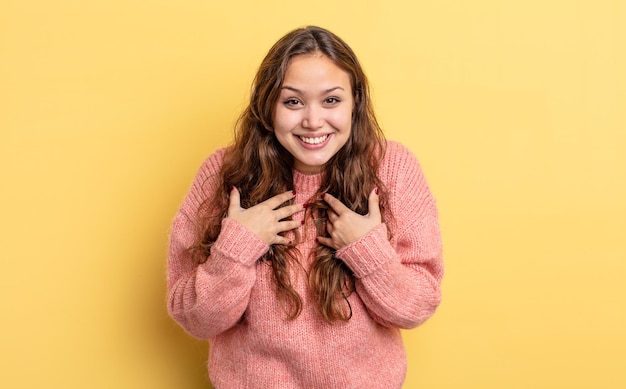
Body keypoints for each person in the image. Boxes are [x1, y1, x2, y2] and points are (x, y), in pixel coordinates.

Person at [167, 25, 443, 388]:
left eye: (331, 100)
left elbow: (416, 308)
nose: (313, 121)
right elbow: (195, 318)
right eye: (293, 101)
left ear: (355, 102)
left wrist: (367, 250)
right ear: (268, 105)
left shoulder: (393, 169)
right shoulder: (222, 174)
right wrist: (236, 248)